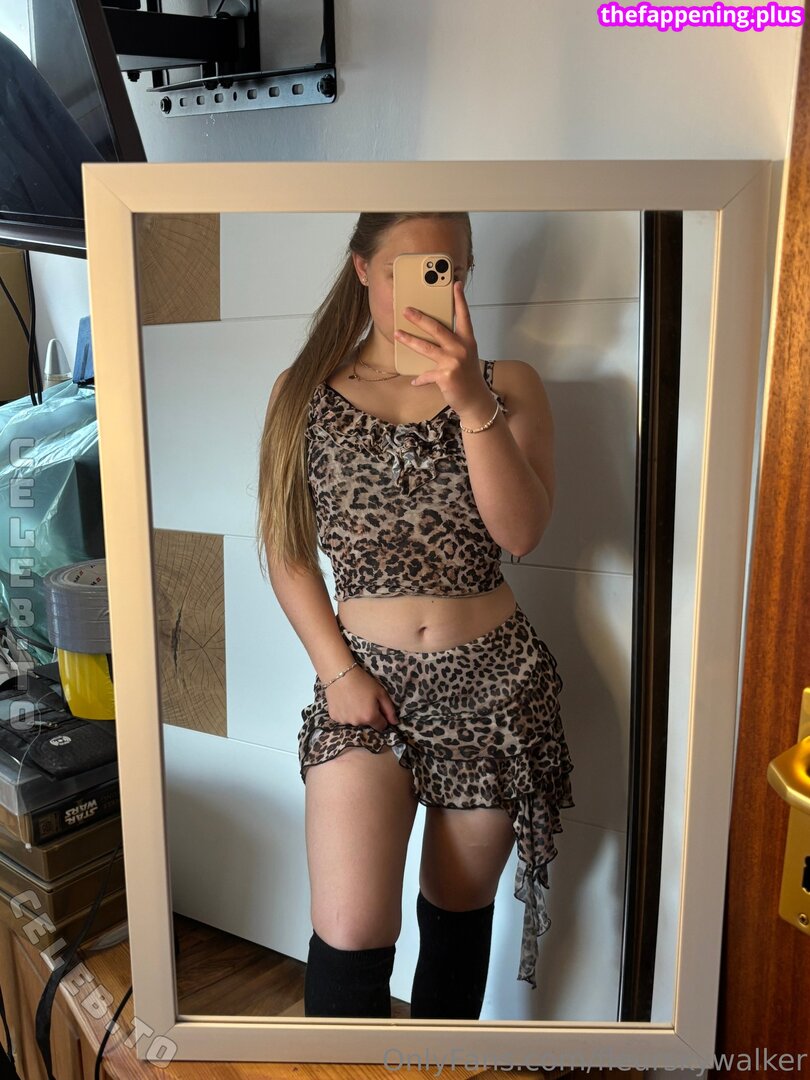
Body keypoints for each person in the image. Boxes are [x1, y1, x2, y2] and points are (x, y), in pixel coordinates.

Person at [256, 212, 574, 1020]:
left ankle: (439, 1070)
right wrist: (338, 673)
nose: (434, 286)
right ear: (363, 268)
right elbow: (288, 552)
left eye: (451, 270)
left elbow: (521, 533)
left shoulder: (510, 385)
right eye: (411, 268)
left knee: (456, 918)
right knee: (350, 929)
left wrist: (471, 401)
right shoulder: (301, 394)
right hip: (365, 684)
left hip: (494, 691)